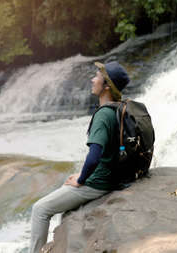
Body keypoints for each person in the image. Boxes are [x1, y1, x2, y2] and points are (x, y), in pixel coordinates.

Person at [28, 61, 130, 253]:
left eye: (97, 76)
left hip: (98, 183)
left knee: (40, 209)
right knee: (64, 190)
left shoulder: (103, 115)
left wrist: (82, 179)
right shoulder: (119, 108)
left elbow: (94, 156)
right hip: (110, 177)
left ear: (106, 85)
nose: (93, 80)